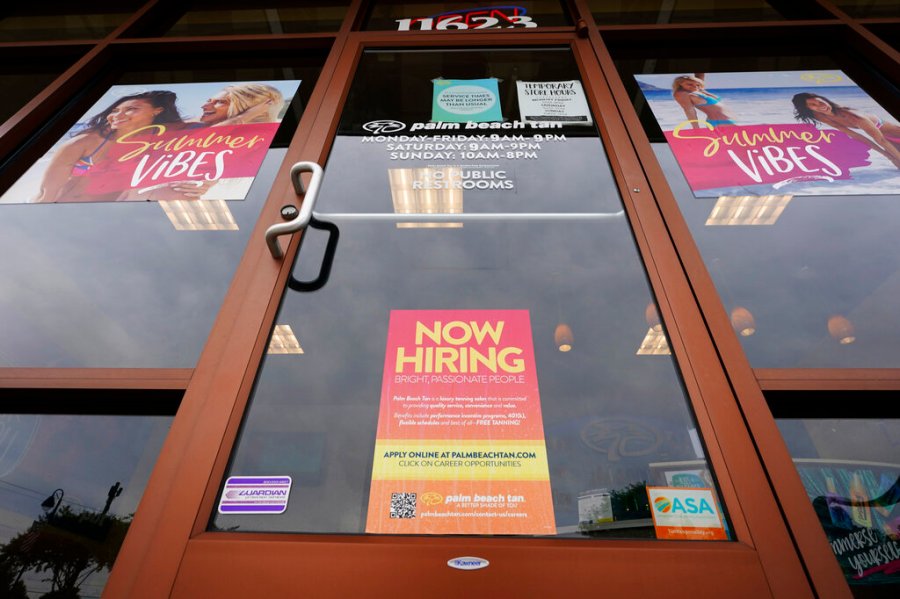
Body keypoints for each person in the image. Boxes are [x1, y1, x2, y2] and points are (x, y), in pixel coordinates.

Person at [34, 90, 184, 203]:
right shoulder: (86, 142)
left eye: (131, 109)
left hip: (109, 216)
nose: (118, 115)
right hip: (66, 208)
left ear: (157, 111)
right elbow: (46, 194)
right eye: (115, 110)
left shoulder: (160, 144)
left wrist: (202, 184)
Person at [792, 92, 900, 169]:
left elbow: (881, 140)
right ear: (808, 109)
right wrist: (889, 156)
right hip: (888, 140)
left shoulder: (853, 116)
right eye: (813, 105)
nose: (820, 106)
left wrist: (895, 158)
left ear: (824, 99)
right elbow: (857, 136)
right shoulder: (820, 116)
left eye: (820, 102)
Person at [196, 83, 285, 125]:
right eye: (209, 101)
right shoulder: (194, 126)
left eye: (220, 102)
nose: (203, 106)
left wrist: (242, 118)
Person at [672, 73, 736, 129]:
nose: (694, 86)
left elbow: (700, 79)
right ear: (680, 84)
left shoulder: (696, 91)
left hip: (725, 121)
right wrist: (696, 129)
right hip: (721, 122)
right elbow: (689, 111)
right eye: (689, 84)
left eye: (697, 84)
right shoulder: (681, 93)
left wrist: (701, 90)